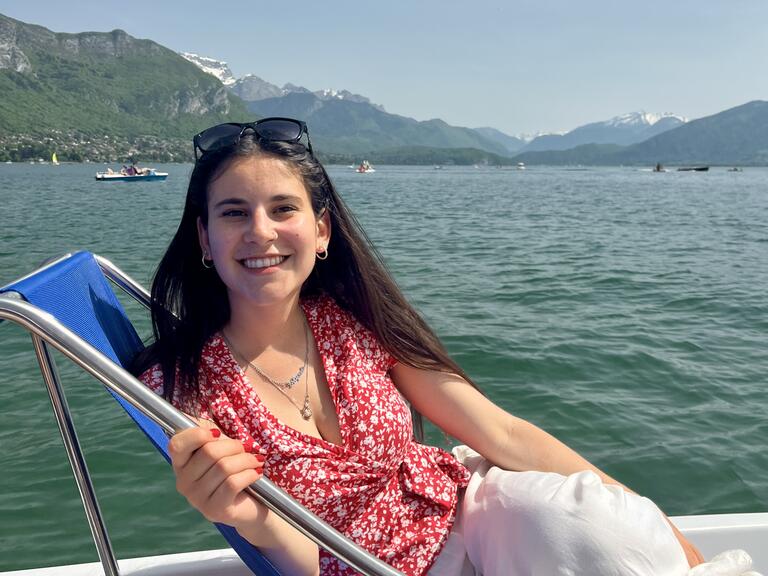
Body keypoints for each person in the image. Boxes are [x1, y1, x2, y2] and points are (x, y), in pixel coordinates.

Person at [133, 117, 725, 576]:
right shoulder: (183, 385)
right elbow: (306, 561)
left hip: (472, 512)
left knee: (592, 530)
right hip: (368, 565)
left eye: (283, 208)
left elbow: (502, 434)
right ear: (205, 240)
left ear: (321, 232)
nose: (260, 231)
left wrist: (659, 523)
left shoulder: (354, 322)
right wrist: (240, 514)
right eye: (234, 213)